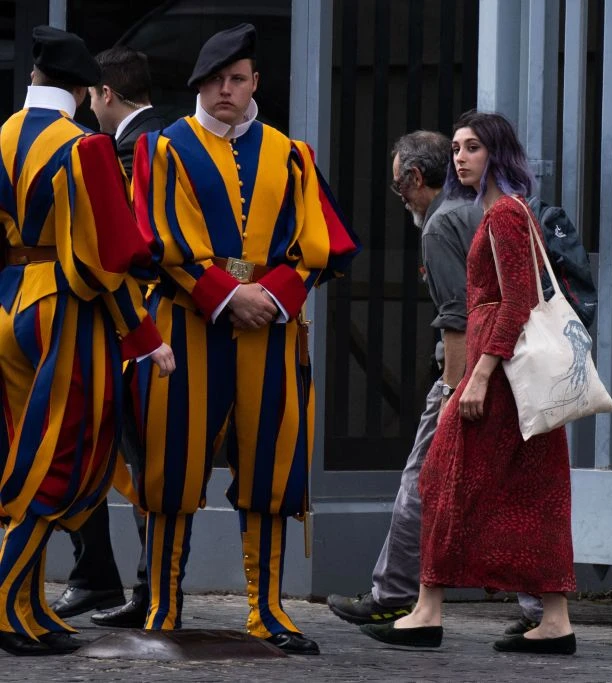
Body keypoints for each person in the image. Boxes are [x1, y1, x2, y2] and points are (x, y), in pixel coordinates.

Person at [130, 23, 359, 656]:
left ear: (255, 82)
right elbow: (159, 240)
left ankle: (267, 609)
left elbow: (318, 243)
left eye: (237, 79)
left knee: (271, 467)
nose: (226, 90)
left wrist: (275, 295)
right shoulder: (164, 148)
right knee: (172, 462)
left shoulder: (292, 153)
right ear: (198, 84)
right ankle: (164, 606)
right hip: (188, 326)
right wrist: (230, 295)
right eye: (214, 81)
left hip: (273, 330)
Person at [358, 110, 576, 655]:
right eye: (456, 147)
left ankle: (428, 611)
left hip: (497, 378)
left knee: (438, 480)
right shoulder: (498, 211)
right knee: (533, 494)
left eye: (473, 147)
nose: (460, 156)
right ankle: (553, 620)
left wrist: (475, 377)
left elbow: (516, 301)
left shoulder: (503, 214)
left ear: (496, 154)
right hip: (503, 376)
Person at [0, 26, 174, 656]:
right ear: (81, 89)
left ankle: (28, 604)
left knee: (28, 453)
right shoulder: (86, 146)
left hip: (9, 299)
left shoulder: (2, 134)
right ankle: (6, 602)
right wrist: (145, 333)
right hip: (62, 312)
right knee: (56, 462)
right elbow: (106, 258)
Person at [326, 131, 481, 623]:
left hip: (469, 372)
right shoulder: (481, 210)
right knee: (497, 486)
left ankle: (392, 594)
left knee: (420, 480)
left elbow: (458, 317)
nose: (401, 198)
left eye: (398, 187)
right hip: (503, 367)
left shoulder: (439, 226)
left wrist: (452, 392)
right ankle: (538, 606)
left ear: (415, 179)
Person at [50, 46, 169, 629]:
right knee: (115, 453)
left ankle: (133, 587)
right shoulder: (168, 138)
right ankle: (110, 580)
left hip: (130, 328)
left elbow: (118, 251)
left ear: (104, 94)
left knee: (123, 454)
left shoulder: (128, 150)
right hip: (145, 328)